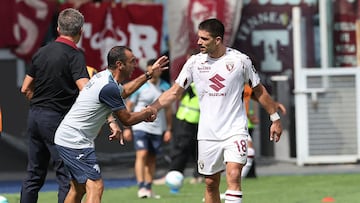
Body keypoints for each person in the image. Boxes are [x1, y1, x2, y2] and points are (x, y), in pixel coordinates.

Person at [149, 18, 283, 203]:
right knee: (211, 183)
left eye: (204, 39)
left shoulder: (240, 61)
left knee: (234, 175)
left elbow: (259, 90)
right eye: (199, 38)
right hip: (207, 133)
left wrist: (274, 118)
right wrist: (154, 107)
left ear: (218, 40)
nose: (199, 42)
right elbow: (175, 92)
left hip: (234, 130)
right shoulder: (195, 63)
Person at [54, 46, 169, 203]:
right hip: (74, 141)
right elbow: (127, 119)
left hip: (69, 138)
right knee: (96, 186)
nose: (135, 64)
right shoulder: (108, 86)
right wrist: (148, 112)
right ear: (120, 64)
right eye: (132, 61)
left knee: (78, 188)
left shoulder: (104, 77)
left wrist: (148, 74)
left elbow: (125, 91)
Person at [20, 8, 90, 203]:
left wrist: (40, 104)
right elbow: (85, 89)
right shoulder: (75, 55)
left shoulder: (41, 52)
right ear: (80, 32)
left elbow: (25, 88)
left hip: (35, 117)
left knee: (34, 174)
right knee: (67, 176)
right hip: (58, 120)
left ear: (58, 28)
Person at [123, 58, 172, 199]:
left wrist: (169, 129)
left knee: (152, 157)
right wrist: (126, 127)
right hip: (140, 126)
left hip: (157, 127)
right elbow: (129, 106)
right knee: (142, 154)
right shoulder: (141, 86)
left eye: (157, 69)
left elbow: (168, 109)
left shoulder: (165, 86)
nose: (155, 71)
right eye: (152, 69)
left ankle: (149, 187)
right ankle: (142, 187)